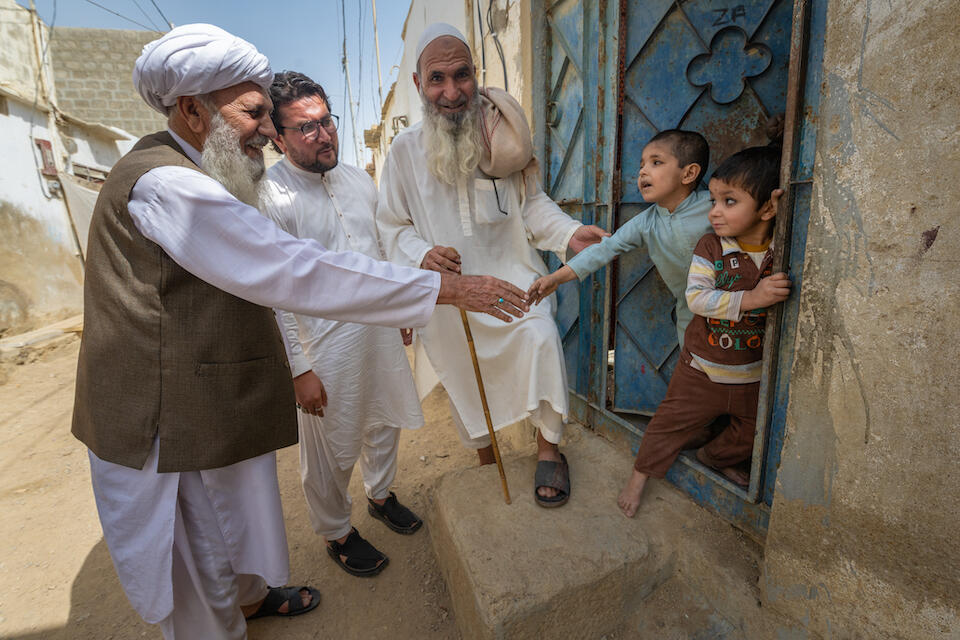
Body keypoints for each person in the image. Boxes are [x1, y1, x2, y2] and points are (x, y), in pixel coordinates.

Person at [72, 24, 530, 639]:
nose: (266, 128)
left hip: (216, 398)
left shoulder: (216, 172)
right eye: (255, 112)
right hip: (162, 421)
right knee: (198, 564)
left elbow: (368, 243)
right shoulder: (169, 186)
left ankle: (253, 599)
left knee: (233, 529)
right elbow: (292, 271)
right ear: (191, 110)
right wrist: (446, 290)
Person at [376, 23, 608, 507]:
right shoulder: (402, 153)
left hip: (513, 279)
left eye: (461, 75)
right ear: (419, 85)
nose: (451, 91)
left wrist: (569, 234)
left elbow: (532, 206)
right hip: (453, 295)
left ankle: (549, 450)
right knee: (463, 371)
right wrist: (421, 253)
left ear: (475, 75)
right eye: (436, 79)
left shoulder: (505, 133)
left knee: (541, 338)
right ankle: (487, 459)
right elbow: (391, 226)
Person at [260, 71, 423, 578]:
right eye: (307, 128)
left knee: (385, 418)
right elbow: (275, 293)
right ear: (278, 136)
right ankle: (336, 531)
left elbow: (379, 250)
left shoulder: (356, 179)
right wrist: (299, 368)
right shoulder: (270, 197)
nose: (324, 134)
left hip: (378, 329)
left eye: (327, 121)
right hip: (322, 347)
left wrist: (396, 312)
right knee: (329, 449)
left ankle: (379, 494)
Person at [616, 145, 791, 517]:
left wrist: (785, 213)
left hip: (752, 375)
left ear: (767, 209)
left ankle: (712, 457)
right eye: (713, 200)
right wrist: (752, 298)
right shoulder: (710, 246)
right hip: (701, 369)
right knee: (667, 425)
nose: (714, 211)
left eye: (729, 201)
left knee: (751, 434)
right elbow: (697, 299)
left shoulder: (783, 249)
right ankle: (640, 474)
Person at [527, 130, 713, 346]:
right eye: (641, 165)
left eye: (656, 162)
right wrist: (555, 278)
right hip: (691, 316)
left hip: (737, 305)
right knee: (695, 372)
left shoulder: (713, 206)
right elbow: (602, 250)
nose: (643, 172)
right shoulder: (645, 223)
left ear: (689, 174)